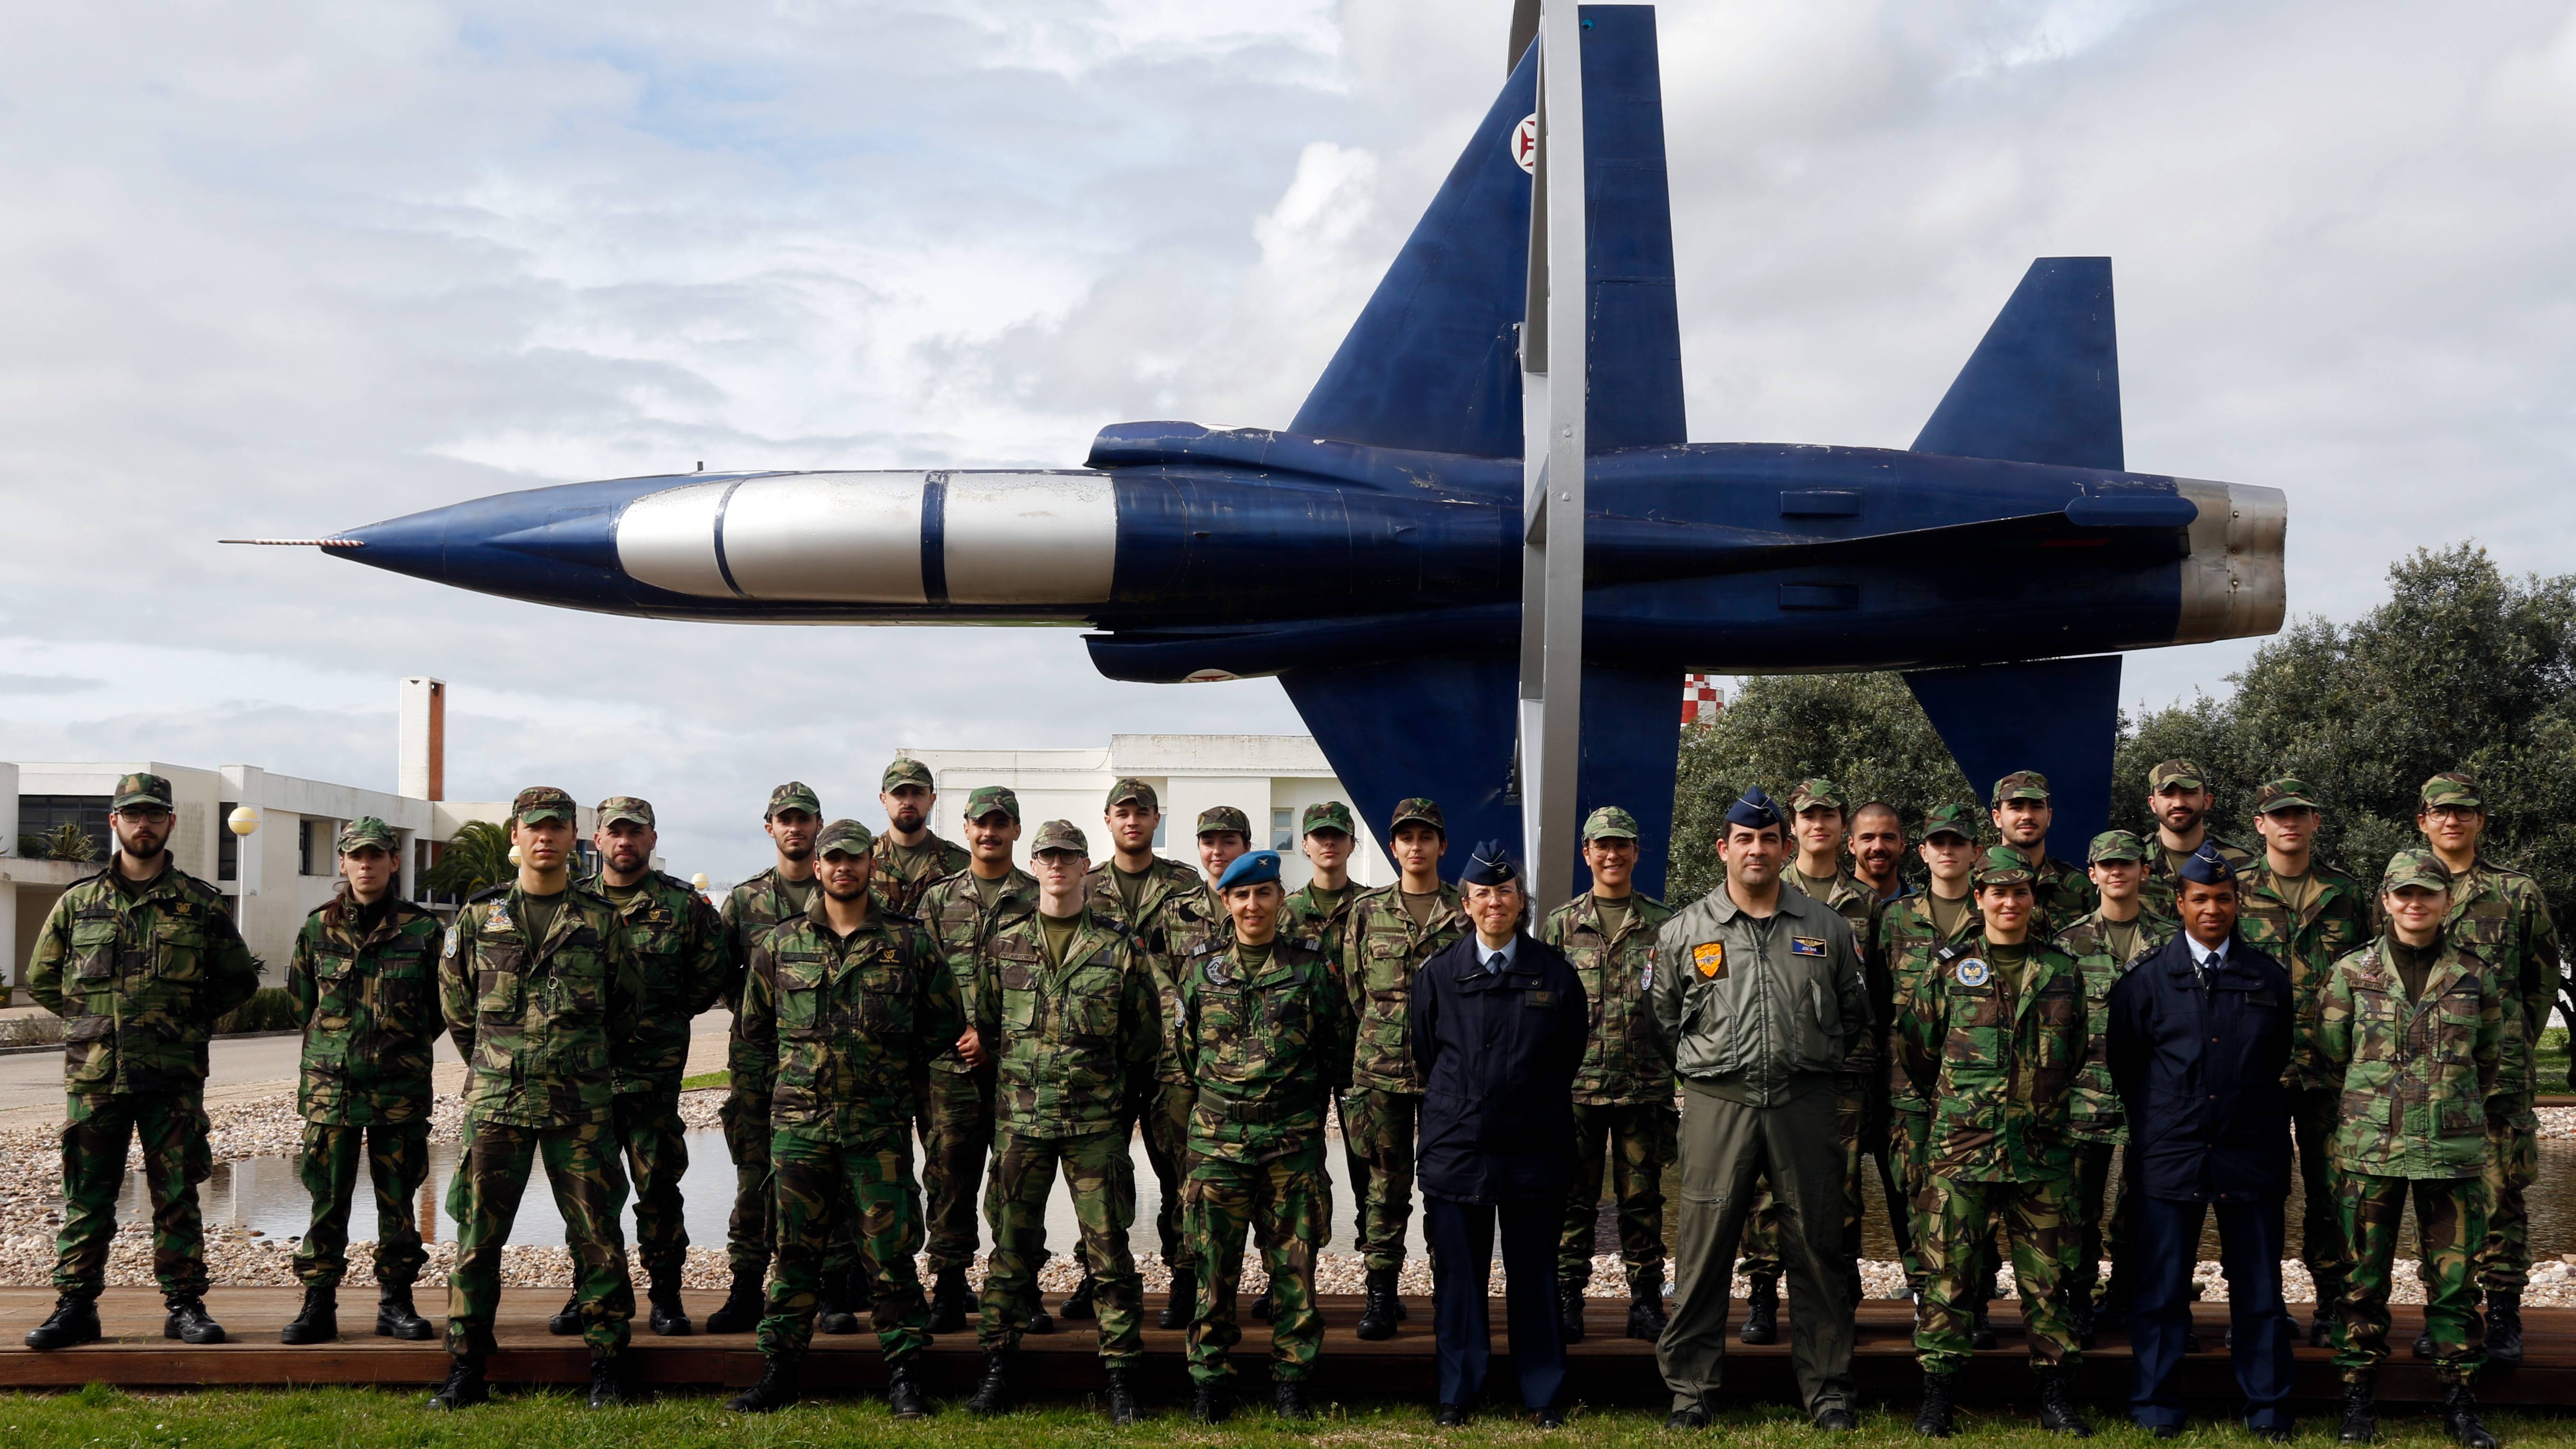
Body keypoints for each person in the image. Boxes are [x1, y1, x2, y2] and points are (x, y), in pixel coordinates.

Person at [726, 819, 961, 1418]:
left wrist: (886, 1070)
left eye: (853, 858)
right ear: (821, 865)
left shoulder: (909, 944)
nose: (842, 868)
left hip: (875, 1127)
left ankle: (906, 1374)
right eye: (833, 859)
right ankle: (779, 1371)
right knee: (794, 1251)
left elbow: (941, 1024)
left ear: (869, 865)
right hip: (799, 1128)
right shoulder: (779, 945)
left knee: (890, 1254)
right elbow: (753, 1034)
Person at [23, 773, 262, 1352]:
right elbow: (42, 979)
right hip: (96, 1076)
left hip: (173, 1076)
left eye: (155, 814)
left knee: (177, 1195)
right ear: (115, 823)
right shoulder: (78, 903)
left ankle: (184, 1306)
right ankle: (76, 1307)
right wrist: (92, 1021)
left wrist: (183, 1022)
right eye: (133, 815)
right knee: (88, 1194)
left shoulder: (199, 903)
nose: (144, 824)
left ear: (170, 823)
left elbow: (237, 980)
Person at [1653, 786, 1867, 1432]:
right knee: (1702, 1248)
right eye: (1743, 838)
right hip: (1719, 1100)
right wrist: (1711, 1064)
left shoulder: (1824, 925)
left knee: (1816, 1245)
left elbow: (1852, 1014)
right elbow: (1662, 1018)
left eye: (1768, 837)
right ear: (1723, 847)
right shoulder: (1684, 930)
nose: (1756, 848)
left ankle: (1827, 1386)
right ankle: (1690, 1388)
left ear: (1784, 847)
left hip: (1803, 1099)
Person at [431, 786, 645, 1410]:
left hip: (579, 1107)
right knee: (477, 1238)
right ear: (515, 837)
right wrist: (500, 1063)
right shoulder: (478, 917)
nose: (545, 837)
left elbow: (626, 1010)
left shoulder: (601, 920)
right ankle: (467, 1366)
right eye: (534, 827)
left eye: (556, 827)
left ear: (572, 836)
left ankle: (608, 1362)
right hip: (497, 1104)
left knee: (598, 1234)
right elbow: (458, 1009)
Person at [968, 820, 1159, 1424]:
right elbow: (989, 1032)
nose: (1056, 865)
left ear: (1085, 867)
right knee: (1010, 1250)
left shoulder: (1118, 946)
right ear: (1035, 863)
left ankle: (1122, 1374)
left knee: (1109, 1253)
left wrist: (1101, 1089)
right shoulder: (1004, 943)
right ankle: (998, 1366)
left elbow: (1142, 1038)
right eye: (1047, 856)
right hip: (1021, 1123)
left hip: (1094, 1124)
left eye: (1068, 857)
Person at [2105, 842, 2296, 1440]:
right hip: (2171, 1151)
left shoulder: (2267, 977)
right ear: (2179, 904)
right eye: (2200, 899)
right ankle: (2156, 1404)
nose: (2211, 909)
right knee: (2161, 1290)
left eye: (2222, 899)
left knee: (2260, 1293)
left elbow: (2277, 1057)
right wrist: (2163, 1125)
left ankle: (2267, 1408)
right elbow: (2127, 1067)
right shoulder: (2144, 983)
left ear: (2237, 903)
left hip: (2250, 1152)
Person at [1899, 845, 2089, 1439]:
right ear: (1978, 899)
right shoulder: (1948, 968)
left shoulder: (2062, 970)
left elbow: (2075, 1052)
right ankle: (1938, 1395)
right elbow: (1918, 1050)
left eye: (2021, 892)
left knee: (2047, 1282)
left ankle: (2055, 1396)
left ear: (2033, 900)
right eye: (1997, 893)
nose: (2010, 902)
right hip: (1962, 1150)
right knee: (1949, 1277)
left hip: (2040, 1151)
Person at [2316, 848, 2502, 1449]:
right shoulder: (2352, 972)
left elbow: (2491, 1058)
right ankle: (2356, 1401)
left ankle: (2460, 1402)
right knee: (2361, 1282)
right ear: (2386, 900)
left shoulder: (2474, 974)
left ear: (2446, 902)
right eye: (2404, 894)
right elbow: (2331, 1052)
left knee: (2453, 1284)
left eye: (2427, 893)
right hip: (2371, 1153)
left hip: (2450, 1153)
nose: (2415, 904)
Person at [1412, 840, 1588, 1428]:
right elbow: (1426, 1052)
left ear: (1522, 902)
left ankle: (1541, 1393)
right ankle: (1457, 1392)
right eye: (1483, 893)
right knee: (1460, 1278)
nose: (1495, 902)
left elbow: (1568, 1054)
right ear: (1465, 903)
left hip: (1534, 1146)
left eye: (1505, 892)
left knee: (1534, 1274)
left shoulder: (1555, 975)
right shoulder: (1437, 974)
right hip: (1457, 1145)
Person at [1174, 849, 1355, 1424]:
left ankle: (1292, 1383)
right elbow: (1185, 1050)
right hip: (1218, 1145)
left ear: (1280, 898)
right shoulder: (1202, 970)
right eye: (1241, 896)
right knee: (1212, 1270)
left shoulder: (1311, 967)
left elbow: (1337, 1047)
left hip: (1289, 1145)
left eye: (1264, 894)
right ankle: (1210, 1383)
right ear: (1226, 903)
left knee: (1294, 1270)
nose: (1253, 905)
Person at [551, 797, 727, 1340]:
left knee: (658, 1191)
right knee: (587, 1194)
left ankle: (667, 1295)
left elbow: (708, 976)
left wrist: (662, 1019)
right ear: (597, 840)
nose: (625, 841)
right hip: (586, 1079)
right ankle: (588, 1289)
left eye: (636, 832)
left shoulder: (685, 906)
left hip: (653, 1077)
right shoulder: (569, 903)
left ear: (652, 840)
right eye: (615, 832)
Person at [278, 817, 446, 1347]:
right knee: (326, 1201)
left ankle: (396, 1303)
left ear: (394, 862)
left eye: (377, 855)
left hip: (398, 1090)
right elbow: (301, 1003)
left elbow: (440, 1010)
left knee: (397, 1202)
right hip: (331, 1093)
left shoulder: (423, 931)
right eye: (357, 856)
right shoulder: (317, 928)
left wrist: (399, 1048)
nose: (366, 865)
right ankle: (318, 1304)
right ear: (344, 863)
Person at [2417, 772, 2560, 1368]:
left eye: (2465, 811)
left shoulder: (2517, 891)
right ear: (2423, 819)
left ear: (2479, 820)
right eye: (2442, 812)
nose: (2453, 821)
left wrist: (2511, 1039)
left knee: (2501, 1196)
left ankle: (2502, 1316)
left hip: (2498, 1076)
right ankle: (2448, 1312)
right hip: (2425, 1073)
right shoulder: (2404, 886)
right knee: (2435, 1195)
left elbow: (2539, 982)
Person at [1736, 779, 1885, 1338]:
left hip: (1844, 1073)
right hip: (1773, 1064)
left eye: (1828, 814)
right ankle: (1760, 1295)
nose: (1817, 823)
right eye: (1807, 815)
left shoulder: (1865, 903)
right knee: (1766, 1184)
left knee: (1838, 1189)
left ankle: (1836, 1295)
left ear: (1842, 825)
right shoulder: (1763, 887)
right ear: (1792, 827)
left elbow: (1875, 993)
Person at [2233, 778, 2372, 1348]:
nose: (2289, 822)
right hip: (2254, 1069)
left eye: (2300, 814)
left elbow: (2369, 976)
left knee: (2333, 1191)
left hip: (2330, 1069)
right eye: (2278, 815)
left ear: (2315, 822)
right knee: (2257, 1193)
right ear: (2260, 824)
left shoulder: (2346, 892)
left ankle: (2331, 1302)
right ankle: (2262, 1307)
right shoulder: (2233, 890)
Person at [1078, 779, 1220, 1330]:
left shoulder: (1184, 883)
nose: (1132, 820)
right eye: (1122, 812)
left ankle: (1182, 1277)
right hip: (1104, 1056)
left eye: (1142, 812)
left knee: (1180, 1173)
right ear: (1108, 819)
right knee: (1101, 1172)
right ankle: (1097, 1274)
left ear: (1156, 819)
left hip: (1171, 1058)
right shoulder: (1086, 888)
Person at [1542, 805, 1678, 1345]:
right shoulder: (1561, 922)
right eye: (1602, 845)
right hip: (1575, 1086)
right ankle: (1568, 1297)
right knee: (1571, 1199)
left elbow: (1680, 1003)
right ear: (1587, 854)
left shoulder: (1665, 923)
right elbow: (1543, 1002)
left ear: (1635, 852)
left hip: (1643, 1085)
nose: (1613, 855)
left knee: (1642, 1201)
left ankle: (1645, 1301)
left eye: (1622, 845)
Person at [1339, 797, 1468, 1340]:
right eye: (1405, 838)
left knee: (1447, 1187)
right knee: (1384, 1188)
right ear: (1393, 847)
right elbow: (1355, 990)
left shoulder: (1465, 911)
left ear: (1442, 845)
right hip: (1382, 1072)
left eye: (1426, 837)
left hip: (1447, 1073)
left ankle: (1449, 1293)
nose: (1416, 847)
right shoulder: (1367, 911)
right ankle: (1381, 1295)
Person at [912, 785, 1036, 1335]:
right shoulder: (938, 900)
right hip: (951, 1068)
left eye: (1000, 823)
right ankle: (948, 1284)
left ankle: (1019, 1286)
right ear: (966, 828)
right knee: (949, 1177)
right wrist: (960, 1031)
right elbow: (918, 980)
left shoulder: (1036, 897)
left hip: (1017, 1069)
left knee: (1016, 1181)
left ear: (1014, 830)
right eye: (980, 823)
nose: (990, 832)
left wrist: (998, 1038)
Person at [707, 782, 825, 1334]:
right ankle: (745, 1288)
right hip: (758, 1065)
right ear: (770, 827)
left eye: (804, 819)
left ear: (818, 826)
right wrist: (762, 1019)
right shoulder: (745, 900)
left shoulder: (840, 890)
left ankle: (829, 1290)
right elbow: (722, 975)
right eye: (785, 819)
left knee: (830, 1178)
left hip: (827, 1066)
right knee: (754, 1178)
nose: (795, 828)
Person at [2048, 829, 2170, 1344]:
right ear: (2092, 874)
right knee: (2077, 1209)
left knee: (2146, 1205)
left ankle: (2130, 1296)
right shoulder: (2068, 944)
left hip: (2154, 1100)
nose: (2118, 872)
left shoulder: (2172, 941)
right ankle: (2076, 1301)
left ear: (2144, 871)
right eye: (2107, 864)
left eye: (2128, 863)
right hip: (2084, 1095)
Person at [1876, 803, 1983, 1311]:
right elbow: (1876, 1003)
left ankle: (1975, 1298)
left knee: (1976, 1196)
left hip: (1980, 1091)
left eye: (1957, 843)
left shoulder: (1995, 914)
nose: (1947, 850)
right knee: (1914, 1192)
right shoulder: (1896, 918)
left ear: (1974, 852)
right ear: (1922, 852)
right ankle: (1926, 1299)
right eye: (1937, 843)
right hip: (1909, 1090)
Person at [2139, 759, 2255, 913]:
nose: (2178, 803)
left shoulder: (2241, 863)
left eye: (2189, 793)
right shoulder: (2131, 861)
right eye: (2167, 794)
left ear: (2207, 801)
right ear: (2153, 804)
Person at [1990, 771, 2097, 931]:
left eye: (2036, 807)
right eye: (2017, 807)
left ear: (2049, 816)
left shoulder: (2078, 886)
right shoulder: (1977, 883)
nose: (2027, 816)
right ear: (1998, 818)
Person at [871, 757, 972, 917]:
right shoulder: (864, 858)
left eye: (918, 793)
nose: (909, 802)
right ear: (884, 800)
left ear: (931, 801)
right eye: (899, 794)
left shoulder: (962, 864)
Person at [1850, 801, 1912, 906]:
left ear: (1902, 845)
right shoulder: (1831, 907)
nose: (1878, 847)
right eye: (1868, 838)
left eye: (1888, 838)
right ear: (1852, 846)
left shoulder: (1923, 910)